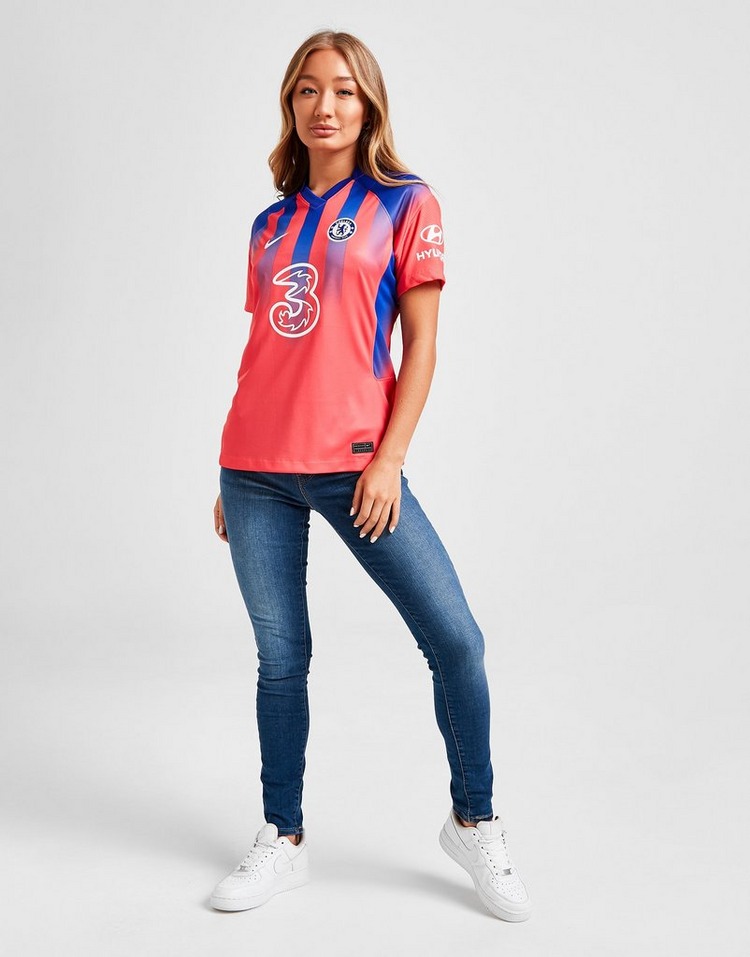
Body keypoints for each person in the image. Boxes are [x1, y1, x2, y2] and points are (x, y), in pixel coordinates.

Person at [209, 30, 531, 922]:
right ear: (291, 105)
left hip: (354, 466)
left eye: (345, 90)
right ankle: (283, 836)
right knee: (282, 659)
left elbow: (421, 344)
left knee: (455, 639)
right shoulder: (269, 224)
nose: (326, 106)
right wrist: (225, 470)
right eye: (308, 90)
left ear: (370, 105)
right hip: (254, 469)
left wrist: (389, 457)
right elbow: (267, 351)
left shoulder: (405, 202)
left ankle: (474, 818)